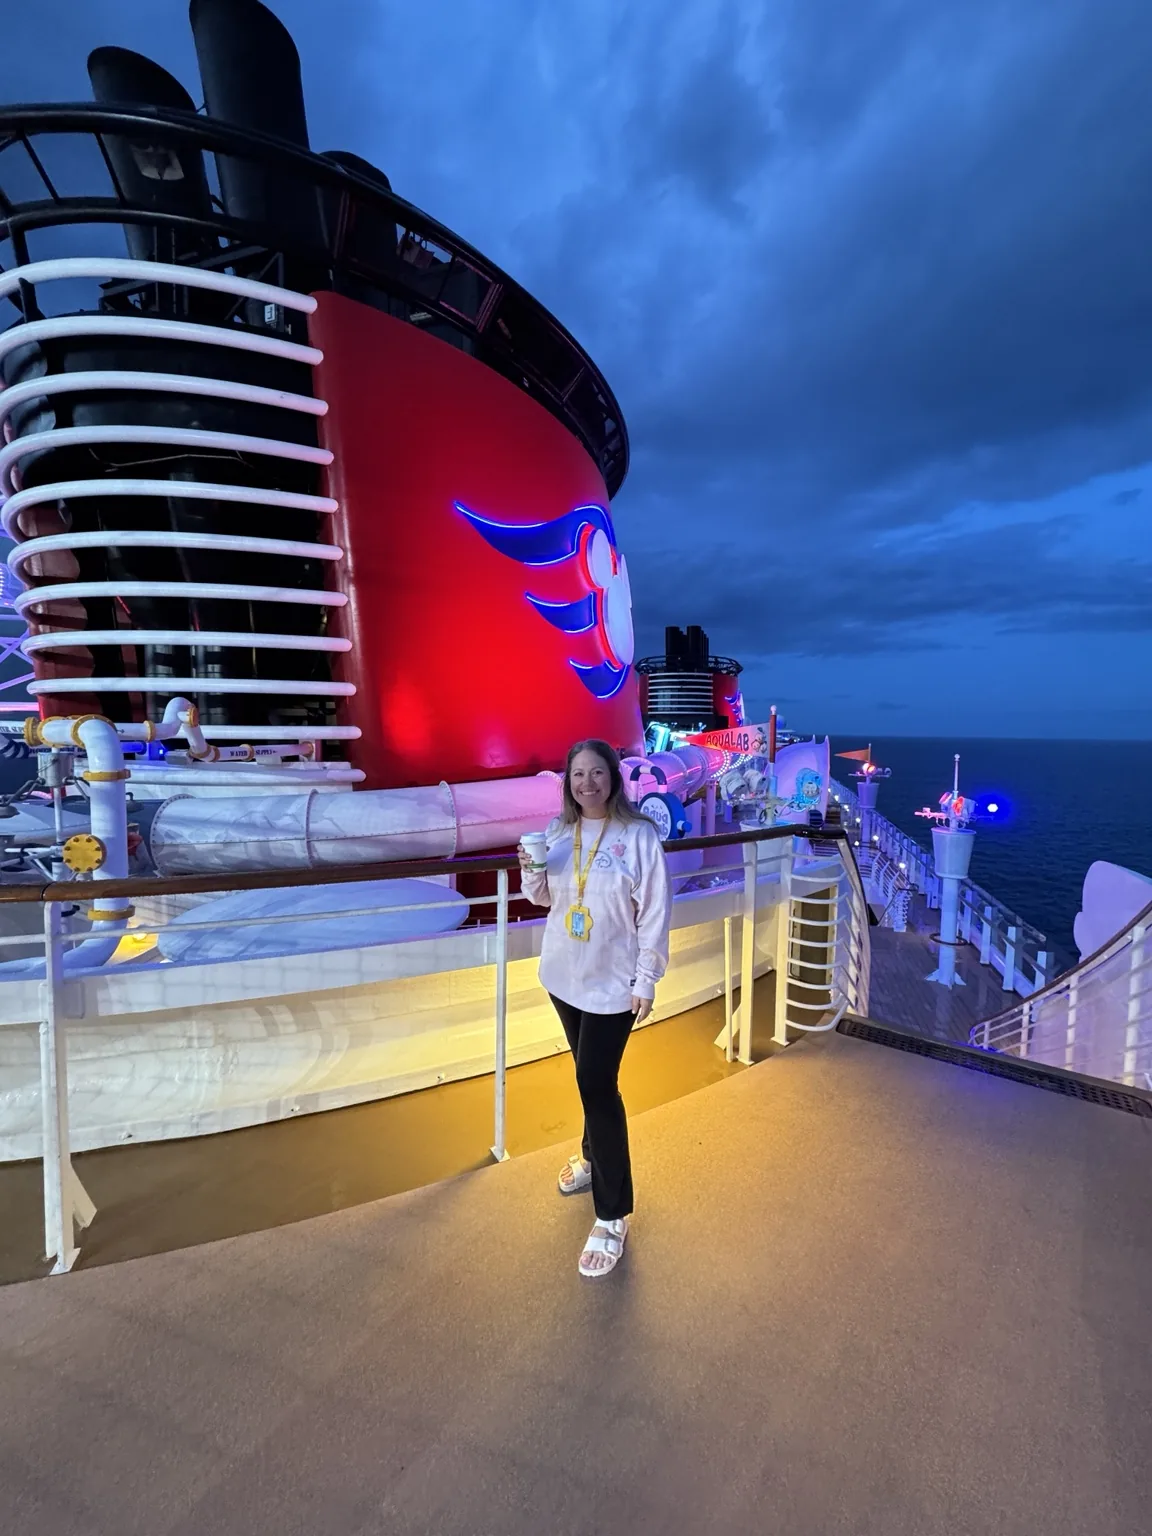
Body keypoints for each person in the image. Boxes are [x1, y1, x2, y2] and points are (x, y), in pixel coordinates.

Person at [518, 739, 673, 1278]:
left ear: (613, 778)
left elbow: (654, 910)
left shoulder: (638, 837)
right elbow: (545, 900)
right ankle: (590, 1156)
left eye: (597, 772)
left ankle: (613, 1213)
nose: (587, 783)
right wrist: (531, 871)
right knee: (589, 1079)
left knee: (597, 1086)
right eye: (577, 774)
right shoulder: (558, 834)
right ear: (568, 781)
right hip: (563, 977)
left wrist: (647, 978)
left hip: (613, 986)